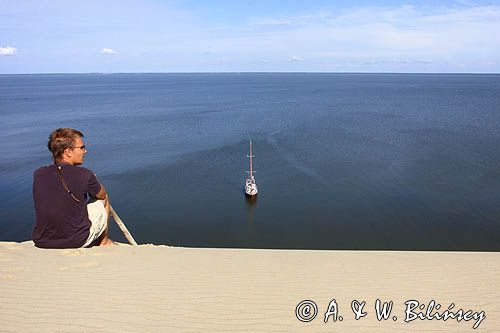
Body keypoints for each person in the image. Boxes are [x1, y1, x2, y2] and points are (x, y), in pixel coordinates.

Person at [32, 128, 114, 248]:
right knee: (103, 199)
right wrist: (94, 182)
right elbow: (101, 194)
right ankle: (104, 242)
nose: (85, 151)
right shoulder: (85, 174)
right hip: (76, 241)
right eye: (81, 148)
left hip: (42, 241)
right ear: (68, 152)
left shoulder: (38, 173)